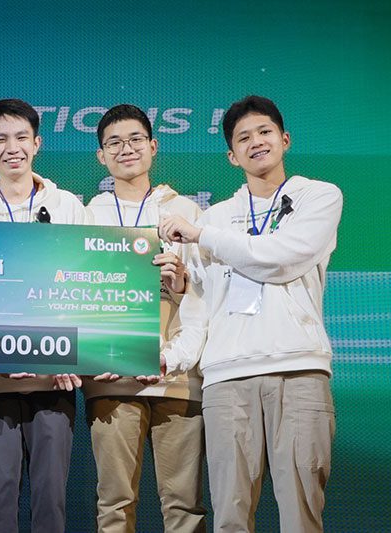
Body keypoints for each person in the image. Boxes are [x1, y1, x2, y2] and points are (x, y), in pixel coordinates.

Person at [160, 95, 342, 532]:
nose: (256, 142)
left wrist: (203, 235)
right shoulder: (216, 217)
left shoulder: (318, 196)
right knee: (230, 516)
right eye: (243, 138)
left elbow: (282, 257)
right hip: (226, 379)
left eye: (264, 132)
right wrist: (172, 357)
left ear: (284, 139)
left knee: (301, 514)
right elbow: (200, 308)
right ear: (231, 155)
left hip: (298, 370)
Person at [0, 98, 86, 533]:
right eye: (0, 140)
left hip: (56, 376)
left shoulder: (67, 206)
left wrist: (70, 356)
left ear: (37, 143)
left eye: (20, 138)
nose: (11, 148)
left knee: (51, 498)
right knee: (0, 494)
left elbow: (88, 284)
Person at [83, 104, 206, 533]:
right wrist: (97, 356)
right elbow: (75, 296)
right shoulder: (88, 216)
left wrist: (182, 284)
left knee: (184, 506)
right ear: (101, 156)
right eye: (114, 142)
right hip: (111, 377)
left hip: (178, 377)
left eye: (136, 139)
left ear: (153, 146)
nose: (126, 149)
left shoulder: (186, 212)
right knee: (114, 504)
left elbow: (206, 299)